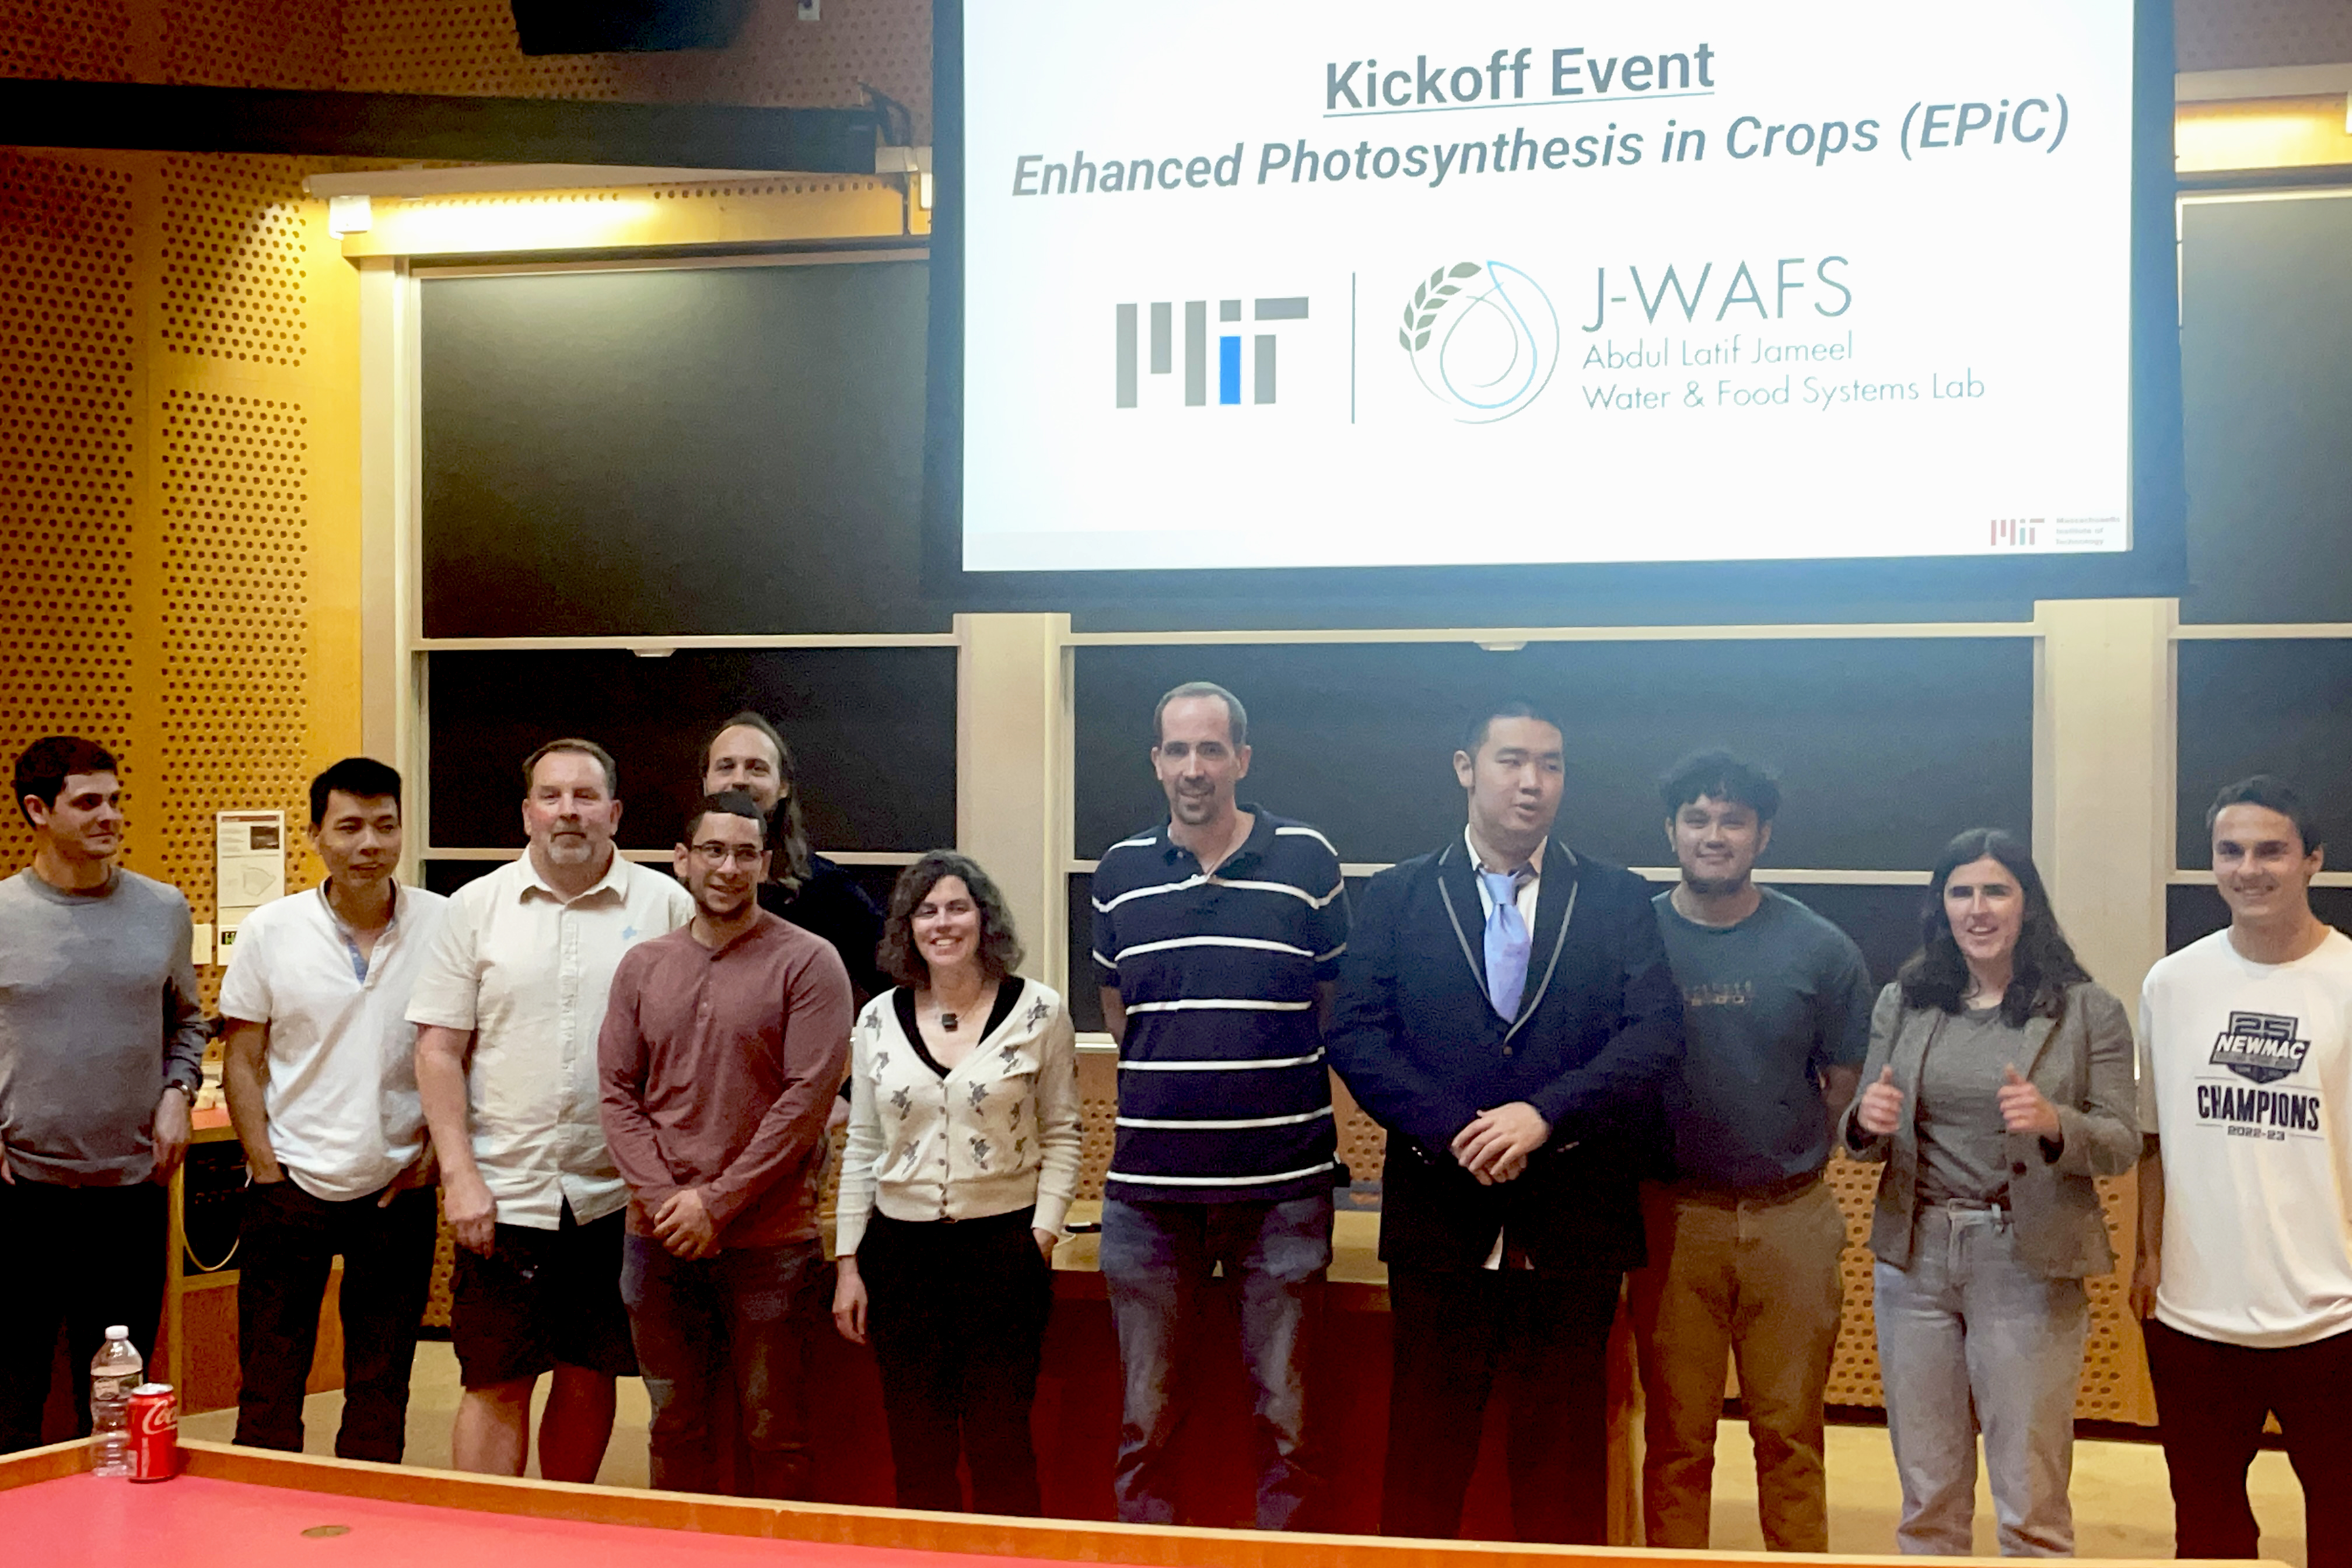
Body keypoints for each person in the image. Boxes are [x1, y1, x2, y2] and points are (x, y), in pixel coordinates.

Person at [1327, 698, 1682, 1545]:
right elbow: (1356, 1033)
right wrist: (1457, 1130)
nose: (1533, 782)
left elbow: (1655, 1032)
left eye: (1552, 765)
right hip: (1440, 1217)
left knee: (1562, 1460)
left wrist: (1543, 1115)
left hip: (1574, 1217)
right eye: (1513, 760)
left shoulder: (1617, 896)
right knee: (1425, 1453)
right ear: (1466, 768)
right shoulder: (1400, 894)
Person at [1090, 681, 1348, 1530]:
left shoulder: (1308, 860)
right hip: (1149, 1198)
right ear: (1156, 762)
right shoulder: (1119, 875)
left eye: (1211, 749)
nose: (1193, 768)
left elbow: (1327, 1007)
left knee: (1289, 1420)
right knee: (1146, 1423)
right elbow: (1121, 1015)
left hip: (1281, 1192)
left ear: (1242, 758)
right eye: (1177, 750)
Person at [1842, 828, 2136, 1556]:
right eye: (1961, 892)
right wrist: (1864, 1122)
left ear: (2027, 904)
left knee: (2029, 1496)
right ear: (1941, 906)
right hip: (1914, 1259)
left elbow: (2123, 1141)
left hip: (2025, 1258)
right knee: (1927, 1494)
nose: (1978, 908)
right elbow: (1865, 1125)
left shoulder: (2087, 1009)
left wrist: (2053, 1122)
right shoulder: (1904, 1002)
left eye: (1996, 891)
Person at [408, 738, 692, 1481]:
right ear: (528, 812)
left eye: (586, 796)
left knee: (590, 1371)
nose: (570, 811)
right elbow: (437, 1051)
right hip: (504, 1192)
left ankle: (565, 1530)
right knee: (494, 1378)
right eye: (553, 796)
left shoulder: (668, 906)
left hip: (616, 1194)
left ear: (616, 812)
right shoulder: (474, 908)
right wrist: (460, 1176)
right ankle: (487, 1544)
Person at [1632, 751, 1873, 1552]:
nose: (1714, 835)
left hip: (1790, 1224)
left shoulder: (1822, 949)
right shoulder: (1631, 936)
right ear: (1671, 830)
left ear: (1762, 834)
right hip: (1671, 1222)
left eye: (1732, 820)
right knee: (1675, 1445)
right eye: (1697, 819)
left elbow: (1842, 1082)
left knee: (1792, 1439)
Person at [598, 790, 851, 1498]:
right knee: (675, 1425)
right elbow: (617, 1094)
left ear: (765, 864)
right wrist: (666, 1202)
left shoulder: (810, 963)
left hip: (771, 1244)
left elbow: (805, 1103)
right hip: (657, 1240)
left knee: (776, 1432)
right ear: (683, 861)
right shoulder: (643, 966)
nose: (729, 867)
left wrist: (717, 1202)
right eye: (713, 850)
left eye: (745, 853)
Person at [2133, 776, 2352, 1568]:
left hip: (2332, 1318)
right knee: (2210, 1530)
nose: (2249, 868)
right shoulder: (2173, 983)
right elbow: (2153, 1140)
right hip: (2197, 1320)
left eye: (2271, 850)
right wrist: (2145, 1256)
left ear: (2312, 861)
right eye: (2231, 851)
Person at [831, 850, 1080, 1516]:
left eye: (957, 908)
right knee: (918, 1446)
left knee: (1002, 1440)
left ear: (983, 918)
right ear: (908, 928)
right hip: (901, 1256)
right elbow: (862, 1145)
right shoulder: (878, 1018)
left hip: (1003, 1253)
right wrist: (849, 1262)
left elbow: (1063, 1132)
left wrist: (1043, 1234)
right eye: (927, 911)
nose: (943, 924)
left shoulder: (1040, 1012)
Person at [218, 758, 449, 1462]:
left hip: (398, 1185)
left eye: (385, 825)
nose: (368, 843)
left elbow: (462, 1055)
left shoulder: (445, 925)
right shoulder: (271, 930)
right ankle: (259, 1505)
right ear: (316, 834)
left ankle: (370, 1512)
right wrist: (265, 1166)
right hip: (289, 1185)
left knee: (383, 1379)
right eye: (349, 826)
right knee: (269, 1374)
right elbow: (242, 1058)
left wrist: (436, 1159)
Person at [0, 736, 207, 1454]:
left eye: (115, 800)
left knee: (119, 1396)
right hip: (21, 1191)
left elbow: (188, 1021)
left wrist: (179, 1090)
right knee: (12, 1389)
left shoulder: (163, 908)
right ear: (37, 810)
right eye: (88, 802)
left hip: (131, 1188)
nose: (110, 816)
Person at [701, 712, 886, 1004]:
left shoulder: (828, 890)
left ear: (783, 786)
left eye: (756, 768)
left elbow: (895, 981)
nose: (739, 779)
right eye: (726, 766)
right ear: (706, 782)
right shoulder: (678, 893)